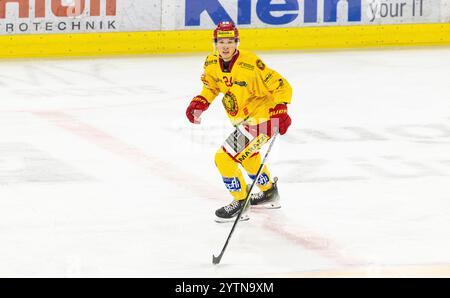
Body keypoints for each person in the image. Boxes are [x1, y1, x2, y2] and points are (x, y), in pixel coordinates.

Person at [185, 21, 293, 223]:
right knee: (247, 156)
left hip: (264, 119)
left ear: (237, 42)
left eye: (230, 41)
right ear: (215, 43)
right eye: (221, 41)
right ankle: (269, 192)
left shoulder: (250, 63)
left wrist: (281, 108)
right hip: (244, 120)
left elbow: (281, 85)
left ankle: (241, 202)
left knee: (223, 158)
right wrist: (200, 102)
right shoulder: (210, 63)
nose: (225, 46)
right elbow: (211, 87)